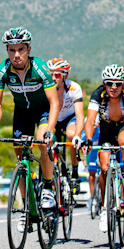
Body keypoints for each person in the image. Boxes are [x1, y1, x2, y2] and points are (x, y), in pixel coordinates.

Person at [0, 27, 60, 228]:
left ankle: (47, 187)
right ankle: (26, 205)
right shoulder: (3, 71)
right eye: (11, 50)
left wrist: (50, 130)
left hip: (43, 111)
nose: (16, 55)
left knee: (43, 144)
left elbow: (54, 102)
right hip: (22, 114)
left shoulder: (41, 68)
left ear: (29, 49)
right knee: (21, 160)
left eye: (21, 49)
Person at [84, 64, 124, 233]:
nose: (113, 87)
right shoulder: (97, 95)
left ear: (123, 84)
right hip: (106, 131)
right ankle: (104, 209)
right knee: (104, 167)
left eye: (117, 83)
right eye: (109, 83)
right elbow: (90, 121)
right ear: (104, 83)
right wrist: (87, 139)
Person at [47, 58, 86, 194]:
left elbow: (80, 115)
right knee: (49, 140)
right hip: (53, 118)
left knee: (71, 135)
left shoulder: (73, 88)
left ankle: (75, 171)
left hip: (70, 117)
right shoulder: (44, 88)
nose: (53, 78)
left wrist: (77, 135)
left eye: (57, 75)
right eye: (50, 74)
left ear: (65, 75)